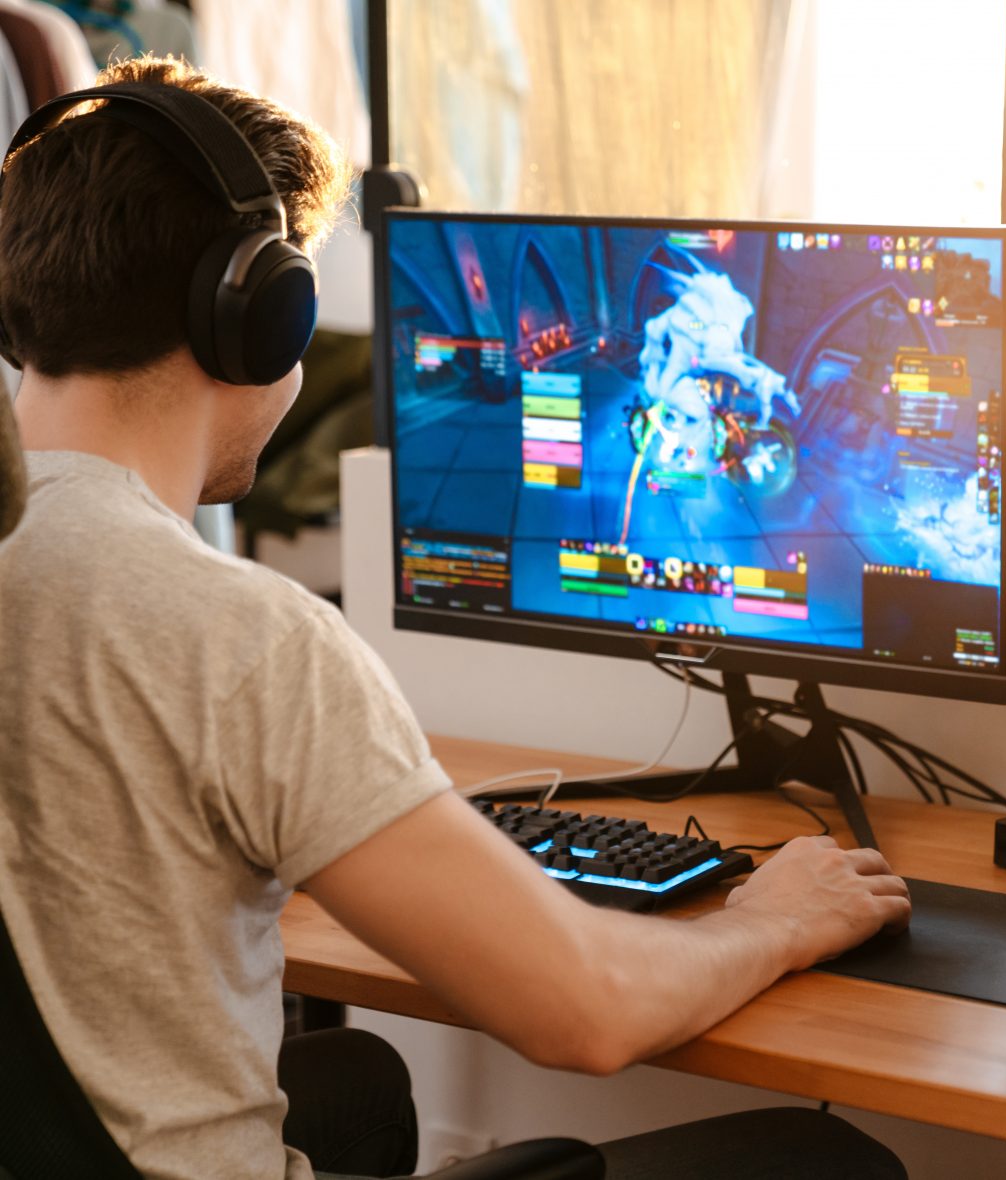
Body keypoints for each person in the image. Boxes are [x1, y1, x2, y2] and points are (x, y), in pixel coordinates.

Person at [0, 57, 910, 1180]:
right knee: (818, 1159)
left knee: (357, 1085)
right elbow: (587, 1013)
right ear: (261, 315)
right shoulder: (236, 638)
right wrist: (775, 915)